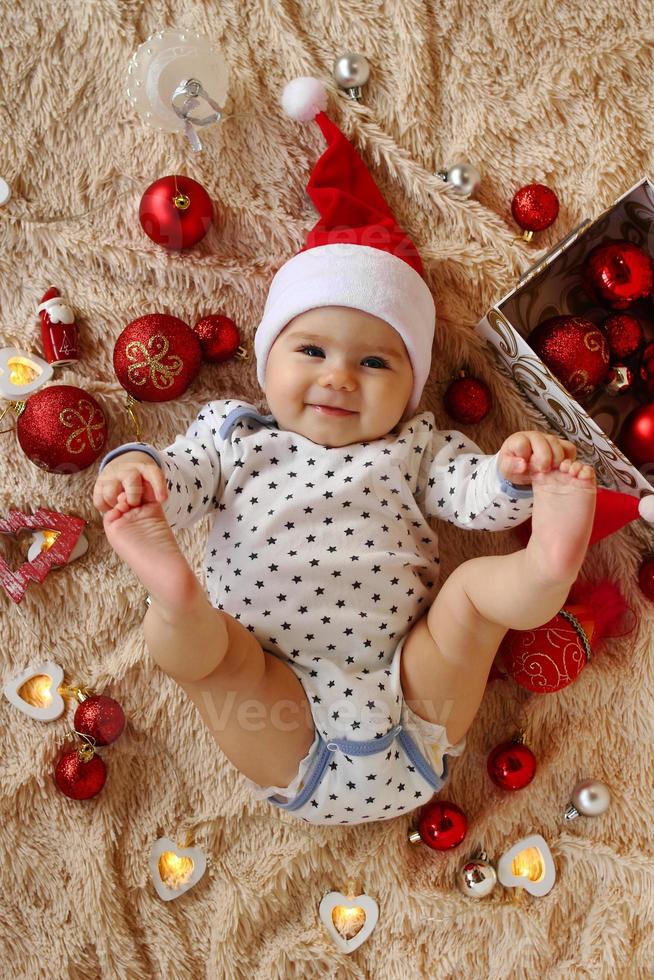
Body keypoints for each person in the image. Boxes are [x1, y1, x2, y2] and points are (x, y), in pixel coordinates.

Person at [93, 80, 597, 825]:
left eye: (374, 364)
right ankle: (174, 594)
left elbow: (470, 497)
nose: (337, 376)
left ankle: (542, 569)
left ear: (412, 390)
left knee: (469, 602)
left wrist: (511, 473)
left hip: (411, 693)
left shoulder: (417, 446)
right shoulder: (238, 435)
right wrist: (144, 474)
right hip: (282, 709)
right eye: (312, 350)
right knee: (213, 657)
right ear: (266, 362)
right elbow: (185, 477)